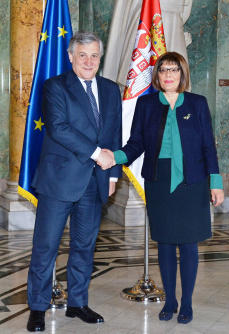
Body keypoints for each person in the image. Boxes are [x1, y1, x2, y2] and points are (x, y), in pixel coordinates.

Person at [99, 52, 224, 324]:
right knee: (165, 243)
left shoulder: (197, 103)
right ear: (157, 75)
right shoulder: (146, 104)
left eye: (174, 70)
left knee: (188, 244)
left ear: (182, 75)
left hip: (193, 181)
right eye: (164, 70)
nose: (169, 75)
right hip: (158, 179)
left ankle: (187, 303)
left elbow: (207, 147)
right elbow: (136, 144)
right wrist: (114, 157)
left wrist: (216, 183)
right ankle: (170, 301)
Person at [26, 31, 121, 332]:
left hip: (95, 182)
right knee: (46, 246)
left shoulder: (109, 89)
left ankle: (77, 303)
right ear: (71, 56)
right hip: (59, 181)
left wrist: (114, 173)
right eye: (83, 54)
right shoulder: (55, 86)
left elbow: (114, 132)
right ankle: (38, 307)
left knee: (84, 246)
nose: (89, 61)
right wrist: (97, 154)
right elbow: (58, 128)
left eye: (94, 55)